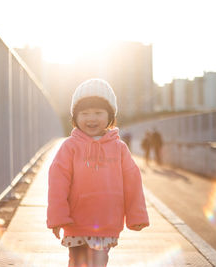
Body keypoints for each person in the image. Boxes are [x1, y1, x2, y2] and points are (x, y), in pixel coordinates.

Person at [47, 78, 149, 267]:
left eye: (98, 113)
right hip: (76, 222)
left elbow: (132, 182)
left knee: (99, 262)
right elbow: (57, 182)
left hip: (107, 222)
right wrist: (57, 217)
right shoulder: (70, 147)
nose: (91, 118)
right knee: (77, 262)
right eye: (84, 113)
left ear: (110, 117)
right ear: (75, 118)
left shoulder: (119, 148)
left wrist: (137, 215)